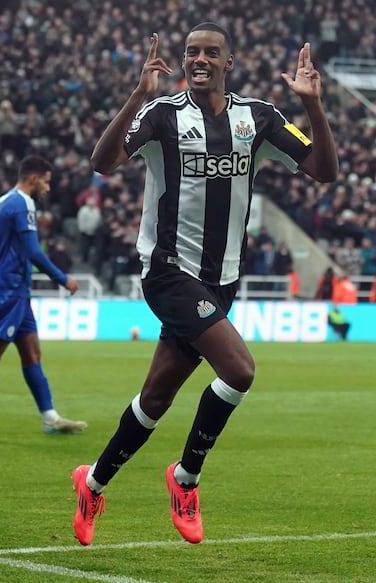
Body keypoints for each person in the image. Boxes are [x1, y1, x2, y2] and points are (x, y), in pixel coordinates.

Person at [71, 24, 338, 546]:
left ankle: (93, 481)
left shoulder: (258, 118)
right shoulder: (162, 115)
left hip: (223, 280)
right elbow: (102, 164)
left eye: (210, 52)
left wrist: (313, 106)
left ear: (228, 62)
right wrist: (137, 95)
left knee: (155, 398)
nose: (199, 59)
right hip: (169, 270)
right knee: (238, 370)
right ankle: (185, 478)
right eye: (191, 52)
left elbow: (324, 171)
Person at [0, 156, 87, 436]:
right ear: (33, 178)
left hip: (14, 290)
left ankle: (50, 417)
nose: (47, 187)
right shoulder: (22, 203)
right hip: (10, 291)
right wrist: (62, 278)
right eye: (45, 181)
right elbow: (33, 251)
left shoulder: (4, 201)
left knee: (32, 353)